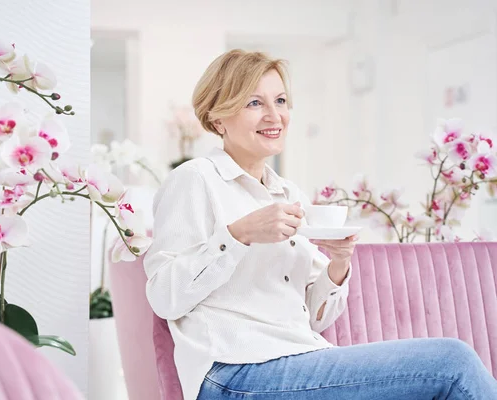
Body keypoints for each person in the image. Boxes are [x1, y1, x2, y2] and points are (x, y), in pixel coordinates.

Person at [143, 49, 497, 400]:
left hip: (301, 356)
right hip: (235, 372)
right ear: (218, 118)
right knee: (453, 362)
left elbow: (314, 318)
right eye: (254, 103)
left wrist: (338, 264)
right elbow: (164, 296)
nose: (275, 115)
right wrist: (239, 235)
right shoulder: (195, 179)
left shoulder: (286, 193)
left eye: (280, 101)